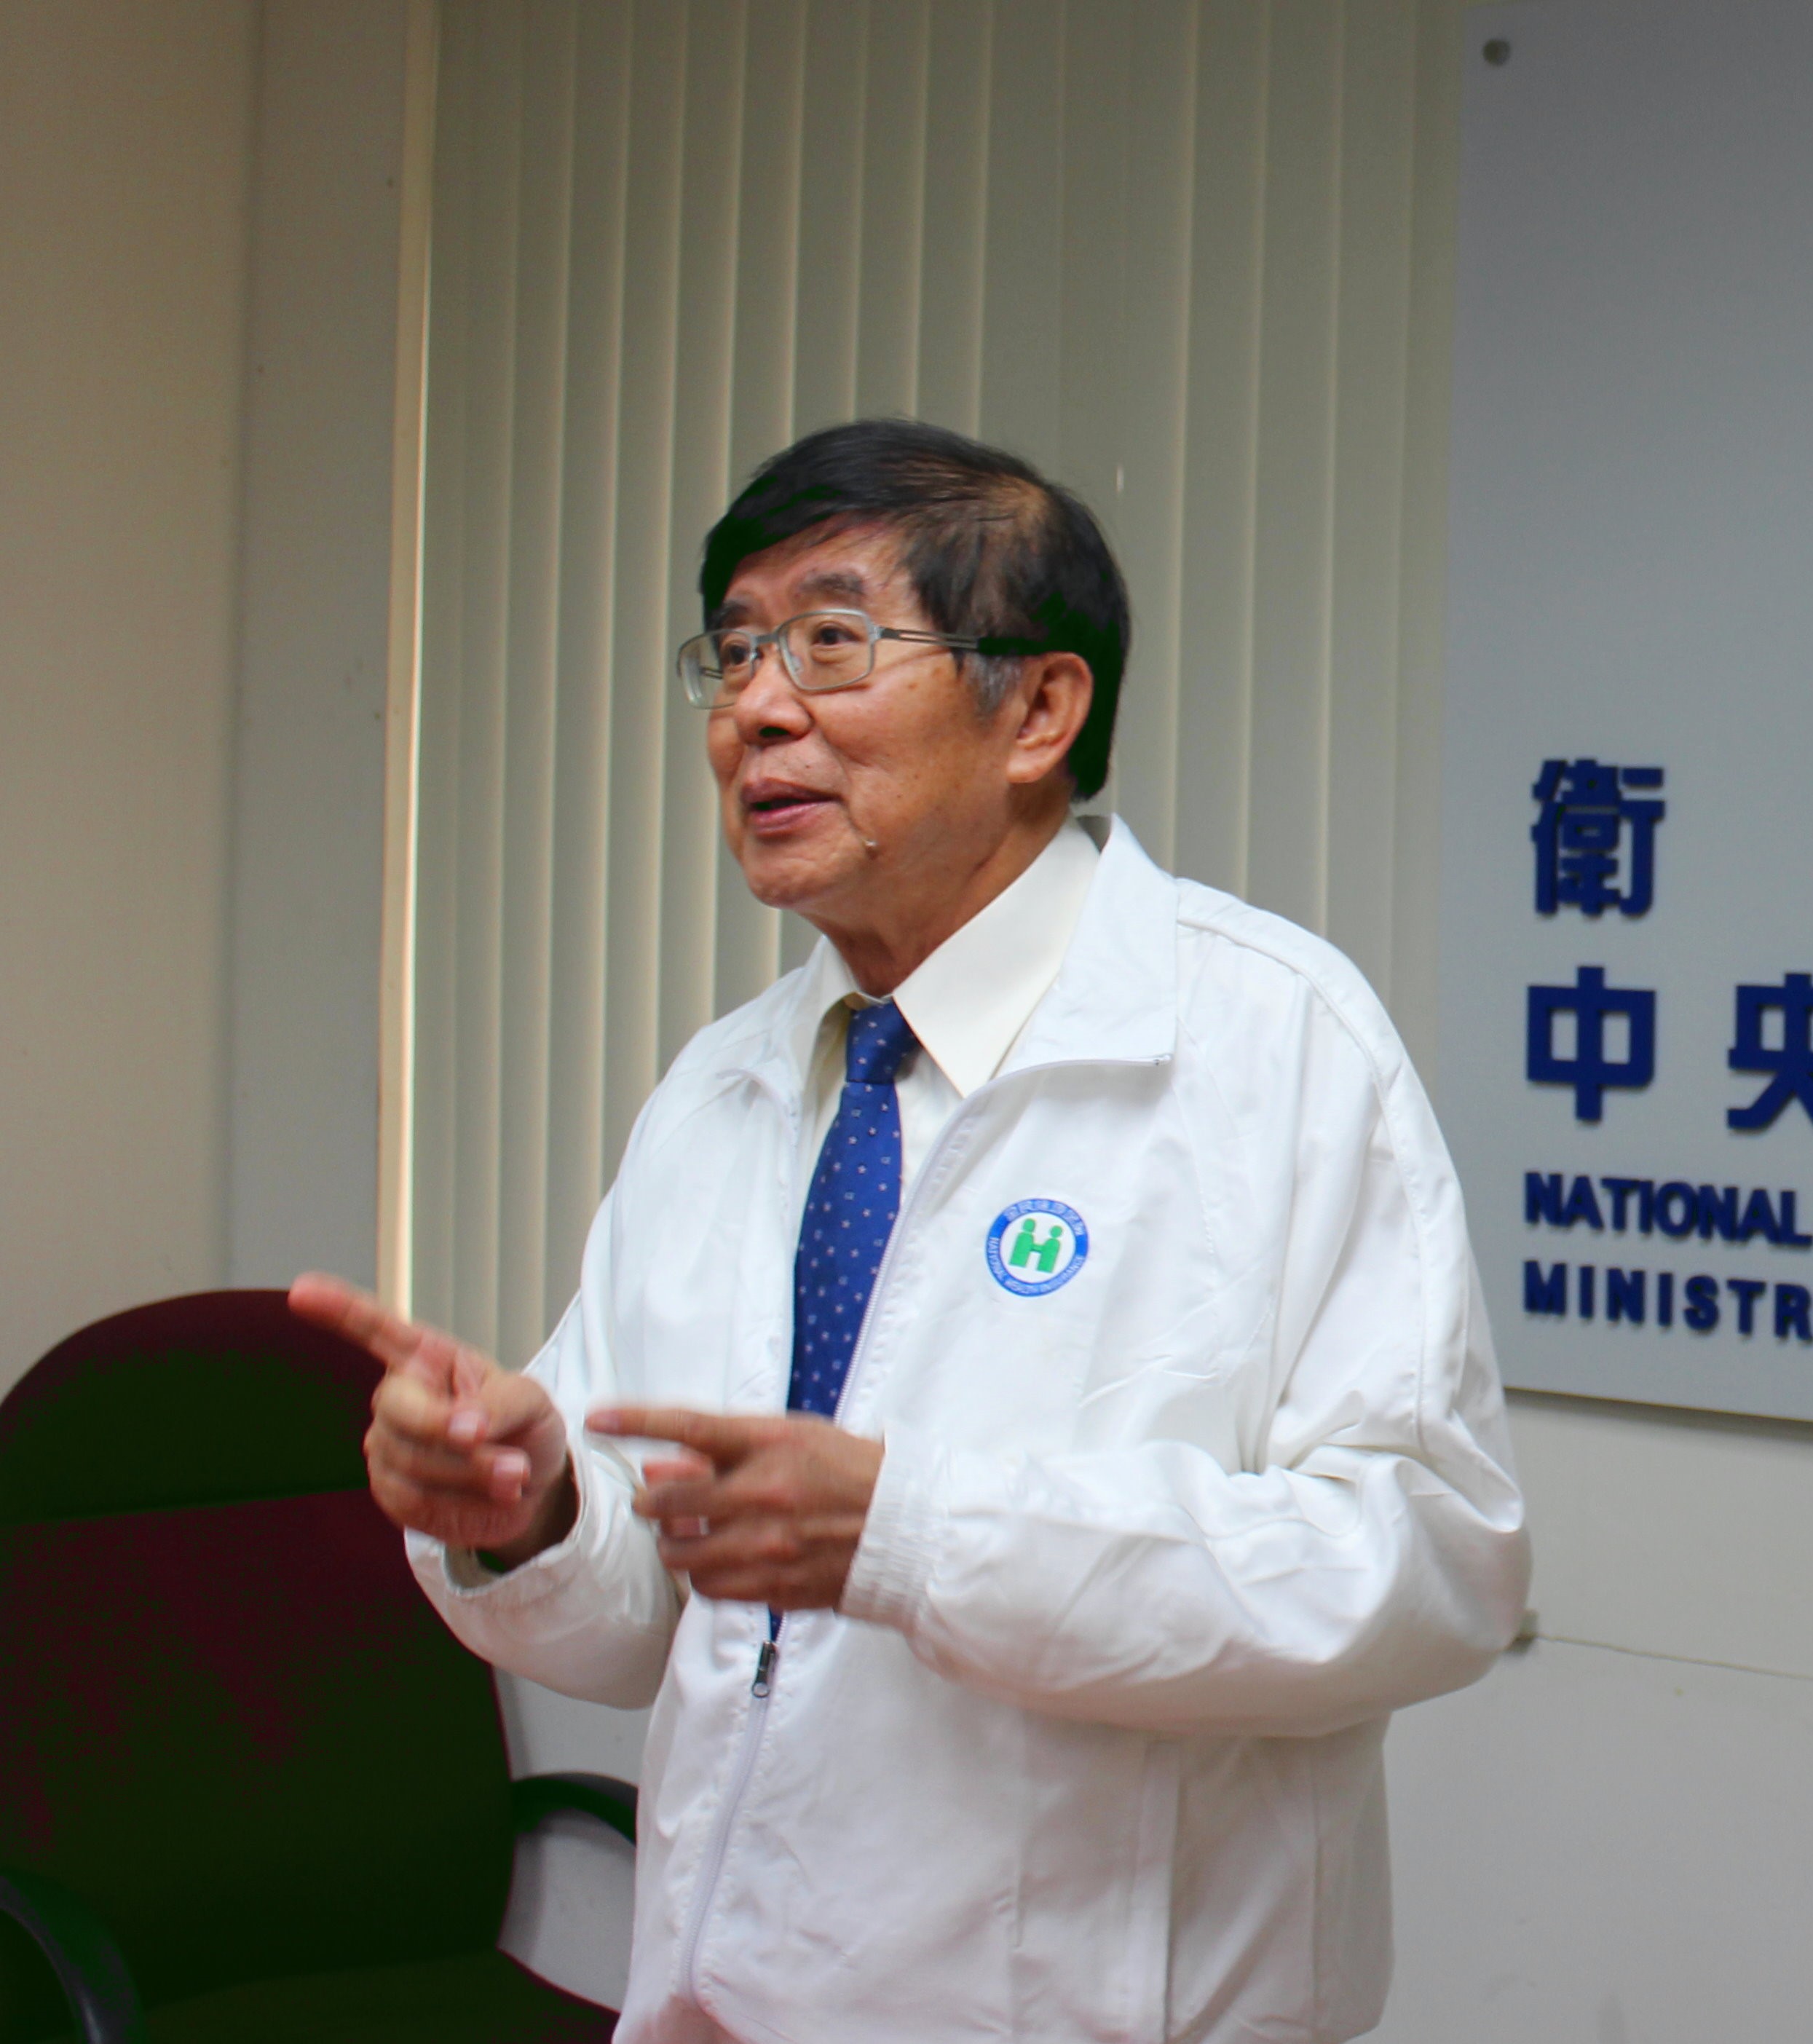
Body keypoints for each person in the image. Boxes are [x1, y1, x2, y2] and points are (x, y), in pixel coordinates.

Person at [293, 418, 1530, 2044]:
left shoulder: (1270, 1045)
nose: (756, 709)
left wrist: (918, 1536)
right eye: (734, 652)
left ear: (1039, 710)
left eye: (831, 641)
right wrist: (529, 1509)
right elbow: (646, 1620)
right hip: (715, 2004)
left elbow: (1428, 1566)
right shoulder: (724, 1090)